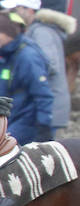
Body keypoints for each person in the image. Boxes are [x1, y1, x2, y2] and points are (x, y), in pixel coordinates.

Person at [2, 0, 71, 138]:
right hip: (39, 110)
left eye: (15, 8)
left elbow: (49, 66)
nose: (10, 12)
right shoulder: (31, 32)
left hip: (47, 112)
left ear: (29, 10)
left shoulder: (41, 33)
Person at [0, 12, 54, 144]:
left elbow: (43, 94)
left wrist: (44, 127)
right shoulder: (6, 55)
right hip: (10, 118)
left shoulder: (27, 57)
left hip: (26, 122)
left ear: (5, 34)